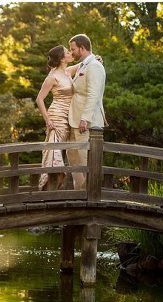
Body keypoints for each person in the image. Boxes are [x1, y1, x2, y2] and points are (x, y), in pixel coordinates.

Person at [35, 45, 102, 190]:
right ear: (61, 58)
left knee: (63, 151)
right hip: (57, 117)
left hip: (69, 117)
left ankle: (56, 189)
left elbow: (83, 64)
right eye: (67, 52)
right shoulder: (52, 77)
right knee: (54, 152)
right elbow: (39, 99)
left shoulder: (67, 71)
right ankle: (47, 188)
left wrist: (95, 59)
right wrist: (47, 119)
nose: (71, 53)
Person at [66, 33, 106, 190]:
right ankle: (79, 193)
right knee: (73, 158)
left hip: (86, 123)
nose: (71, 52)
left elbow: (93, 95)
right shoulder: (84, 65)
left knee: (86, 161)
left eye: (73, 49)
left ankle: (89, 194)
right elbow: (66, 70)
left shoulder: (95, 67)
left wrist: (85, 118)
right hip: (74, 120)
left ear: (82, 48)